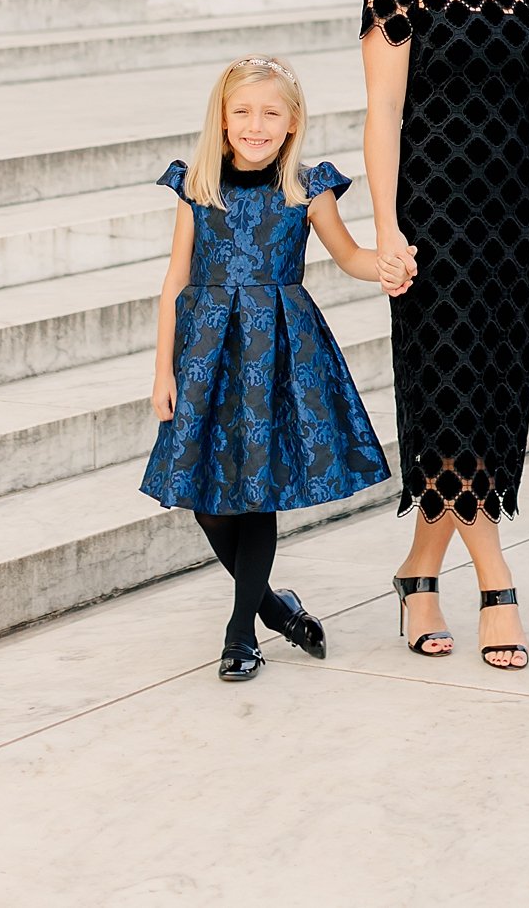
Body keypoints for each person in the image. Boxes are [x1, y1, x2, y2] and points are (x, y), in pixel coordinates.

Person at [361, 0, 529, 670]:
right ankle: (495, 582)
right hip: (433, 216)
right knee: (447, 390)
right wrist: (385, 228)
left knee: (493, 392)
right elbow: (383, 112)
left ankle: (417, 572)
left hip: (517, 214)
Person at [143, 55, 410, 682]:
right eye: (242, 112)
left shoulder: (306, 187)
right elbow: (174, 282)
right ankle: (274, 608)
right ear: (223, 117)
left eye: (270, 113)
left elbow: (350, 257)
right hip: (207, 353)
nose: (255, 125)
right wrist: (164, 371)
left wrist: (389, 262)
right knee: (208, 498)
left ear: (292, 122)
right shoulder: (196, 184)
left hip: (278, 352)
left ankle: (241, 635)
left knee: (256, 489)